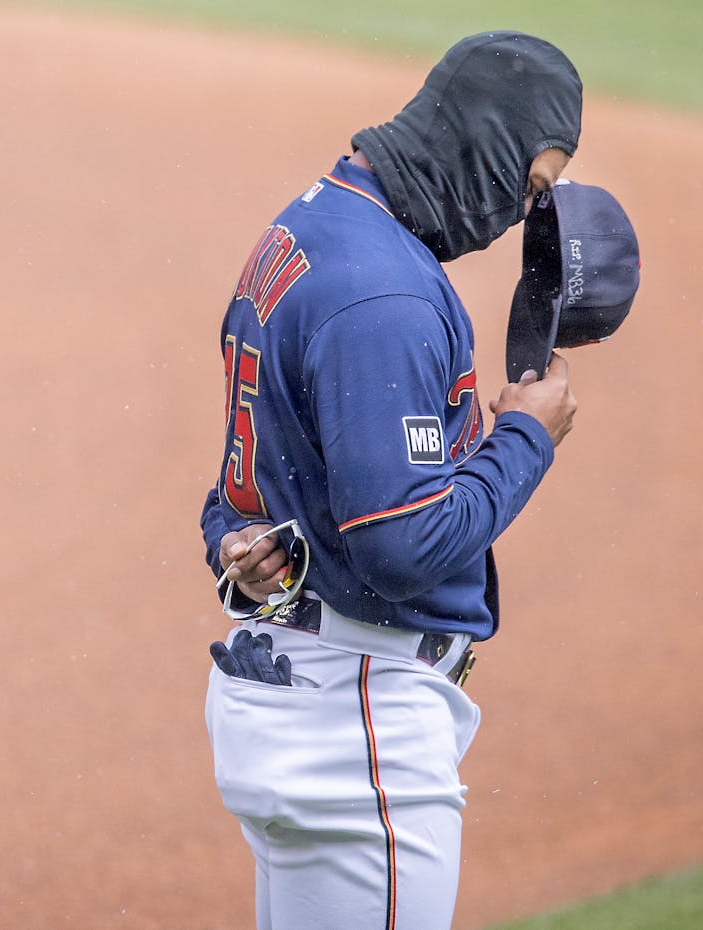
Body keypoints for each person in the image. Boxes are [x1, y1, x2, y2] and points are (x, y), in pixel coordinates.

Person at [200, 32, 584, 930]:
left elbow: (248, 479)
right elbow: (400, 547)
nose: (513, 220)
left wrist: (230, 536)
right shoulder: (385, 294)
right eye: (529, 187)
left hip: (289, 681)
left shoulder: (311, 223)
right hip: (355, 720)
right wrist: (527, 438)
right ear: (488, 142)